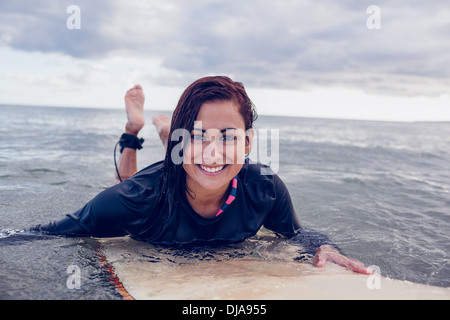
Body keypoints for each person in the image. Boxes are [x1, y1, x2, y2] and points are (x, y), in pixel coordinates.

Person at [32, 76, 372, 275]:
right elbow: (40, 235)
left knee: (198, 164)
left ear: (249, 142)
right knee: (127, 183)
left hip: (180, 163)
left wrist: (325, 246)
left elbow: (298, 234)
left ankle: (170, 134)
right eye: (196, 134)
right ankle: (135, 130)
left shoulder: (265, 189)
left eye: (228, 136)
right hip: (155, 183)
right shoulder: (134, 200)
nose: (214, 150)